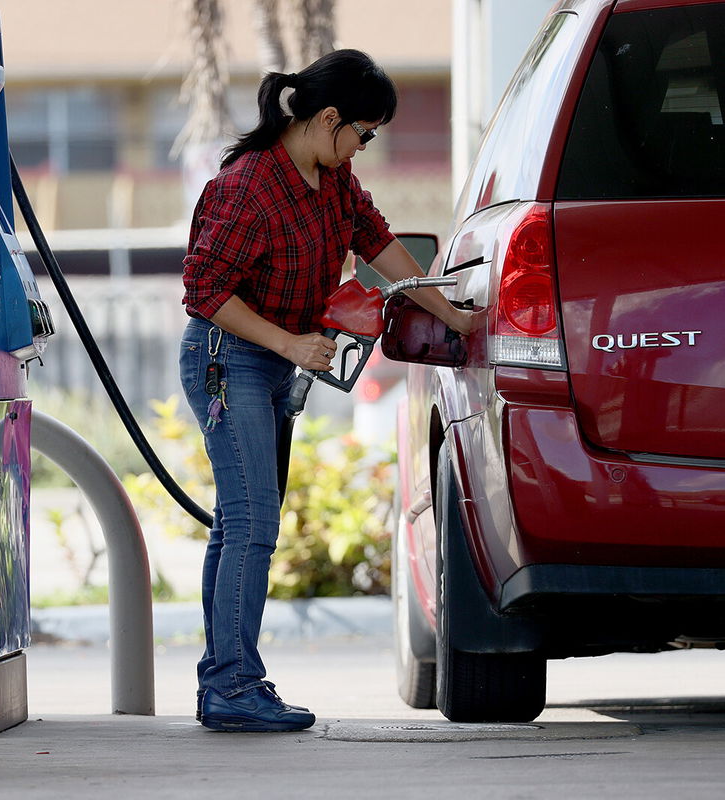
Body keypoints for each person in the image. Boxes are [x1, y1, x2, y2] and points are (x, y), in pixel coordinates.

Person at [179, 49, 473, 733]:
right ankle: (231, 685)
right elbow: (203, 291)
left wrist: (455, 315)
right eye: (364, 133)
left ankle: (225, 681)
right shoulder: (248, 185)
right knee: (252, 524)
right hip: (229, 360)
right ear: (330, 119)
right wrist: (287, 344)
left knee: (238, 524)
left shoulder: (333, 181)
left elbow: (380, 245)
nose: (364, 148)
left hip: (272, 364)